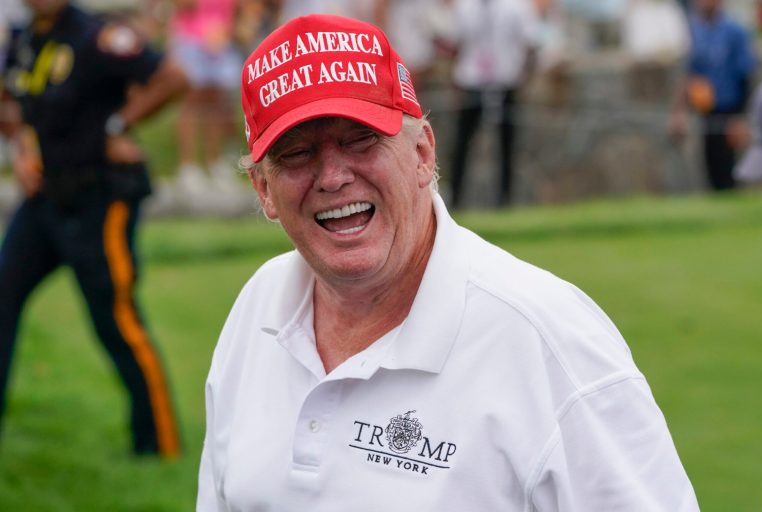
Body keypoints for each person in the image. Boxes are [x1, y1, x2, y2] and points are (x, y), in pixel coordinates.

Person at [196, 14, 699, 510]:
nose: (332, 176)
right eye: (297, 153)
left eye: (360, 139)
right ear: (263, 189)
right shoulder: (257, 307)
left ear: (422, 154)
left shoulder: (550, 341)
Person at [0, 0, 187, 457]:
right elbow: (14, 103)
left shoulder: (97, 36)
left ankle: (157, 443)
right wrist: (23, 148)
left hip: (99, 200)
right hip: (44, 200)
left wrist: (119, 123)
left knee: (115, 320)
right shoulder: (24, 40)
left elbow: (175, 79)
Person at [447, 0, 539, 209]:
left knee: (507, 146)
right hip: (472, 82)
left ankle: (504, 200)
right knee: (462, 145)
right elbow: (456, 44)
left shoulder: (517, 6)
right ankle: (456, 199)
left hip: (506, 81)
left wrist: (524, 77)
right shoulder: (465, 6)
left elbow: (530, 43)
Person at [669, 0, 755, 191]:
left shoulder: (735, 32)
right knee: (711, 170)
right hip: (706, 110)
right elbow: (689, 75)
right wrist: (679, 112)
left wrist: (740, 118)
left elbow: (745, 76)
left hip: (730, 110)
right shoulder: (695, 31)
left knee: (730, 171)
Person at [169, 0, 242, 194]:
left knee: (216, 105)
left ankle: (215, 164)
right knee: (191, 103)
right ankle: (188, 167)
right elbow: (181, 5)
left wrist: (223, 31)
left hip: (220, 42)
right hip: (191, 40)